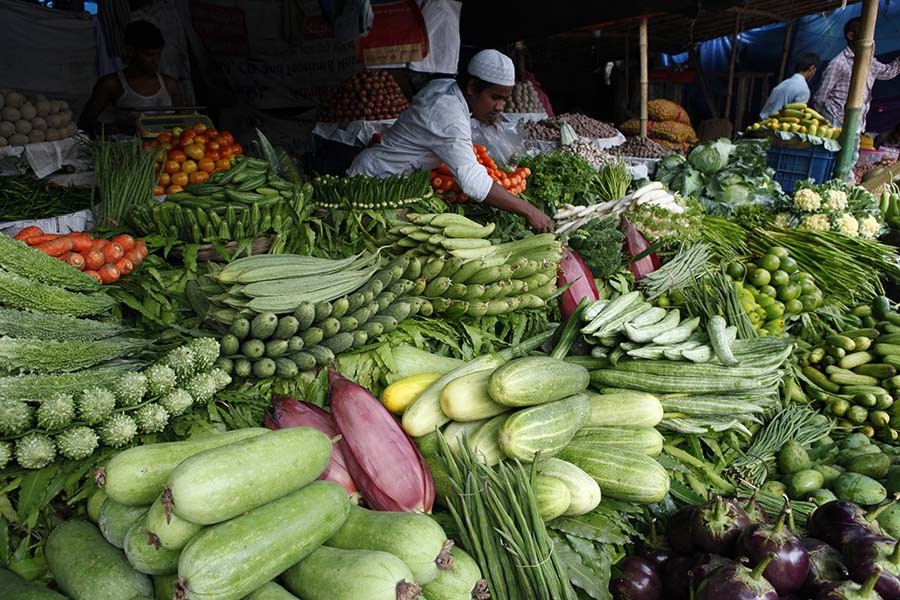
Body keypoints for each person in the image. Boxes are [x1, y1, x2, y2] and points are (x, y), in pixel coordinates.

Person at [348, 50, 553, 233]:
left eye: (504, 99)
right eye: (495, 97)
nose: (500, 107)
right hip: (373, 183)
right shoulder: (448, 115)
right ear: (472, 86)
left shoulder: (446, 87)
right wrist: (529, 211)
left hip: (390, 180)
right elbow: (474, 184)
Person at [78, 20, 184, 136]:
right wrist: (113, 128)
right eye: (149, 55)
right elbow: (85, 122)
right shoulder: (112, 84)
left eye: (158, 54)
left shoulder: (170, 85)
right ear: (131, 51)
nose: (156, 61)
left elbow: (185, 121)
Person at [813, 17, 900, 142]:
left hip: (857, 124)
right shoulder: (838, 63)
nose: (871, 40)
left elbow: (888, 72)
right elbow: (820, 98)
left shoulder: (869, 62)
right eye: (866, 34)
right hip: (836, 121)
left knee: (850, 160)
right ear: (851, 35)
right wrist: (827, 122)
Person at [759, 53, 819, 119]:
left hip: (762, 122)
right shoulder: (804, 90)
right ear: (811, 68)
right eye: (815, 70)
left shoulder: (783, 83)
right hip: (775, 125)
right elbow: (795, 117)